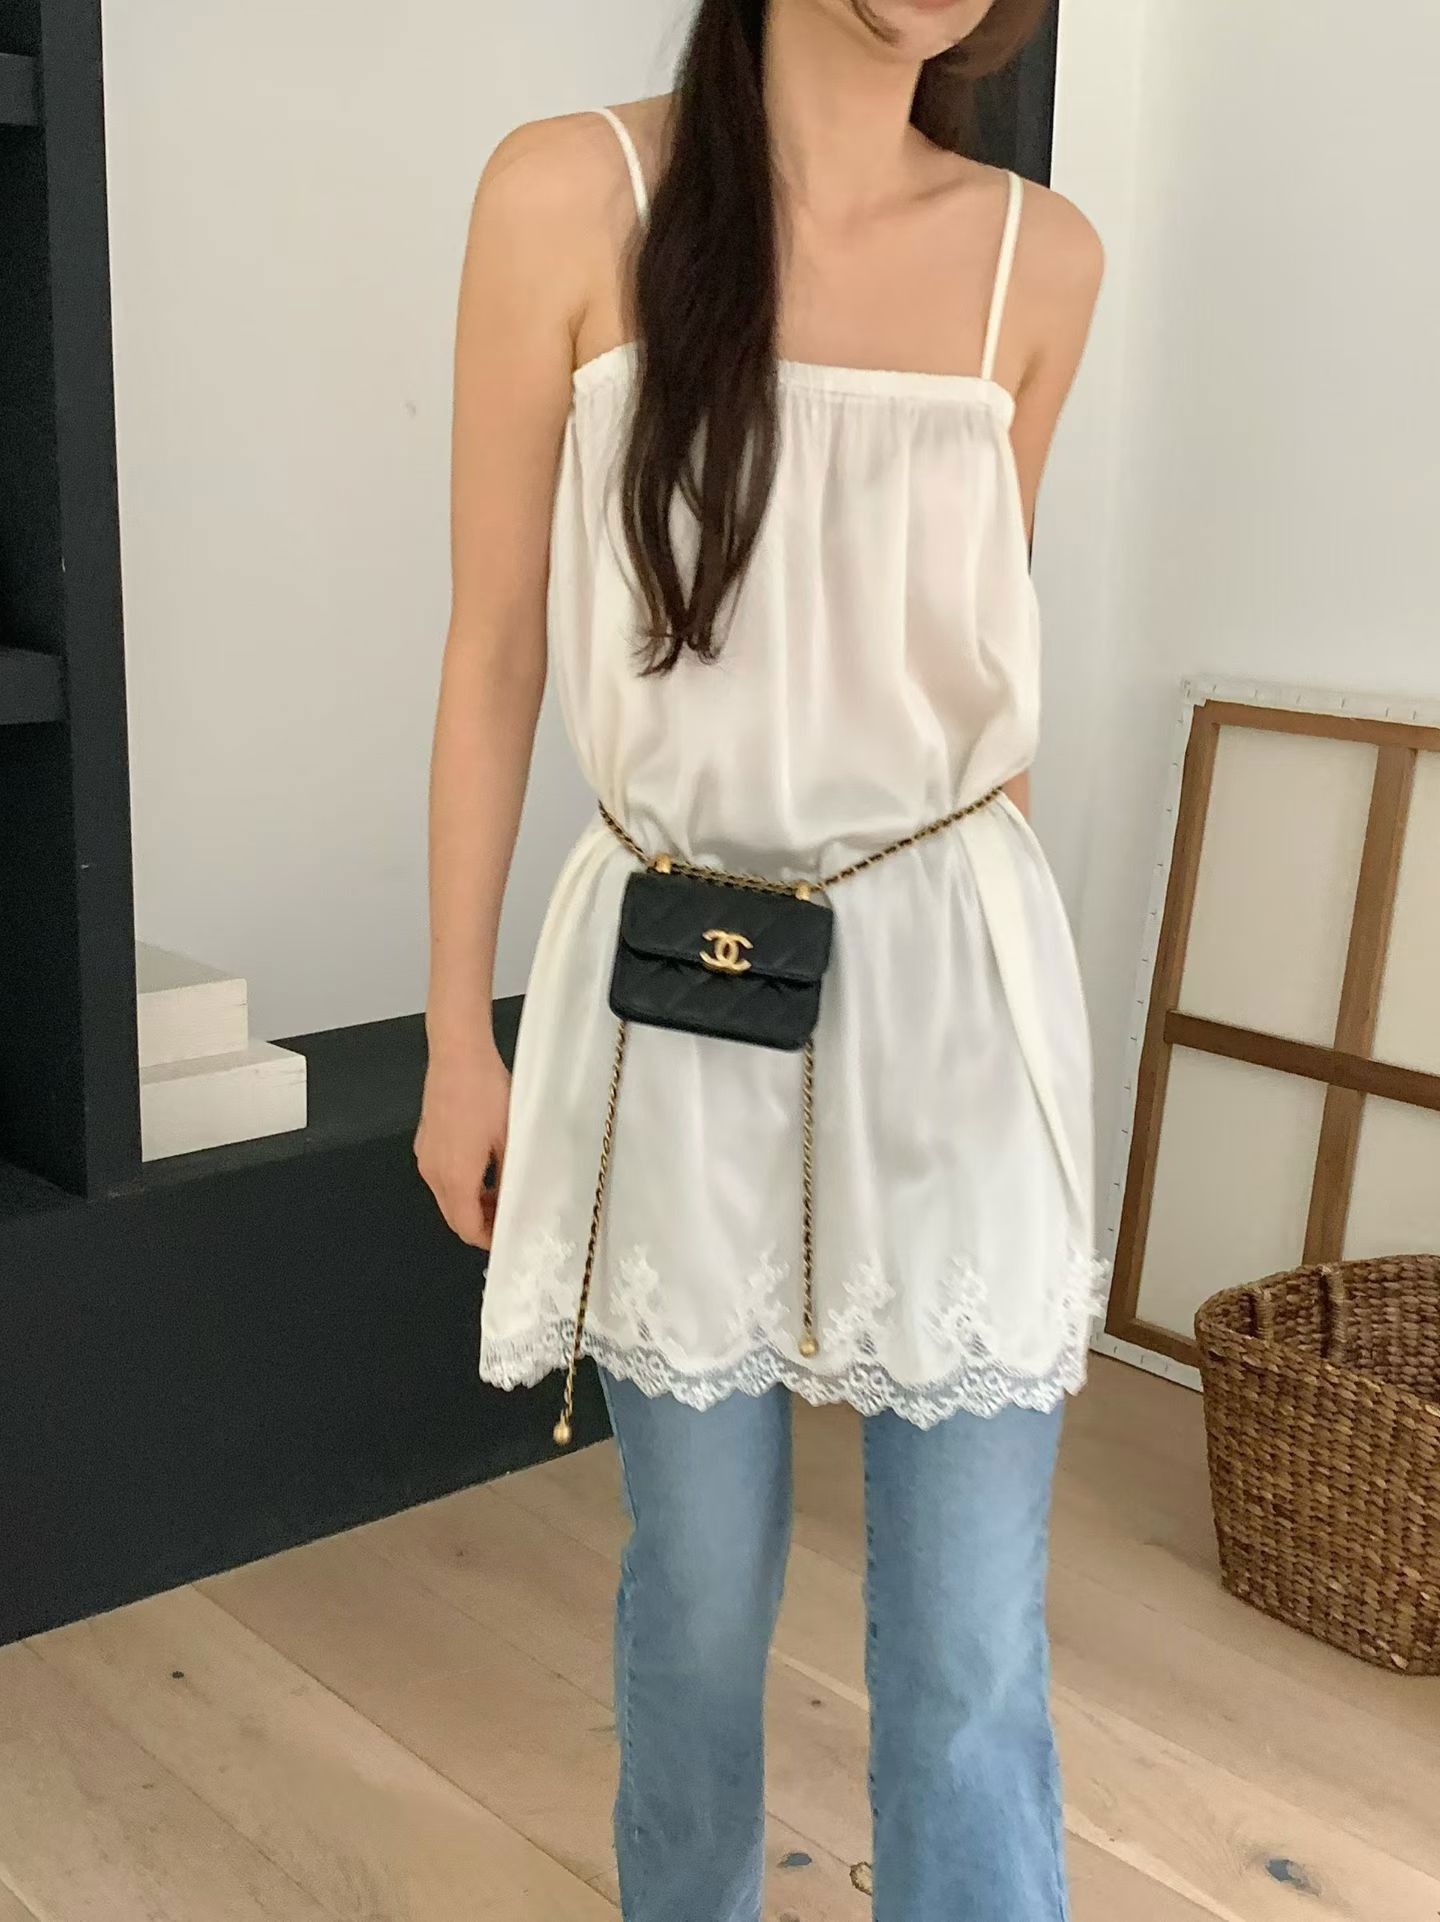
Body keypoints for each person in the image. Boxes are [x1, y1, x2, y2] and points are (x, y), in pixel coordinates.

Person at [416, 1, 1106, 1915]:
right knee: (702, 1604)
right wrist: (459, 1031)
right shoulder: (569, 197)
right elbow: (493, 648)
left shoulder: (1042, 262)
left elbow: (983, 659)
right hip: (673, 988)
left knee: (969, 1647)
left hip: (957, 991)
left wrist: (1013, 1033)